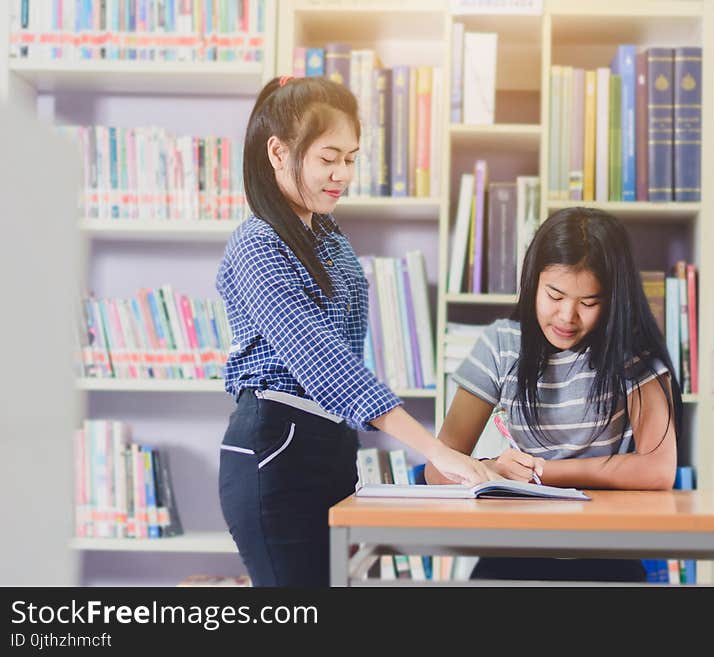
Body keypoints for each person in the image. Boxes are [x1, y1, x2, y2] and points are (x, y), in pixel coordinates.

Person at [216, 76, 493, 587]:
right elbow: (326, 363)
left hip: (330, 446)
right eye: (327, 158)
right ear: (278, 152)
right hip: (274, 447)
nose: (341, 174)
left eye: (350, 157)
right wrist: (433, 448)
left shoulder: (330, 237)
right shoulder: (256, 245)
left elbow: (346, 354)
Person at [425, 207, 682, 583]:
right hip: (515, 550)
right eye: (554, 295)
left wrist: (539, 474)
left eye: (589, 302)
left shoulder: (632, 356)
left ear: (613, 299)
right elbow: (438, 465)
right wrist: (492, 470)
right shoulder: (502, 345)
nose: (567, 316)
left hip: (606, 553)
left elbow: (658, 470)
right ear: (533, 282)